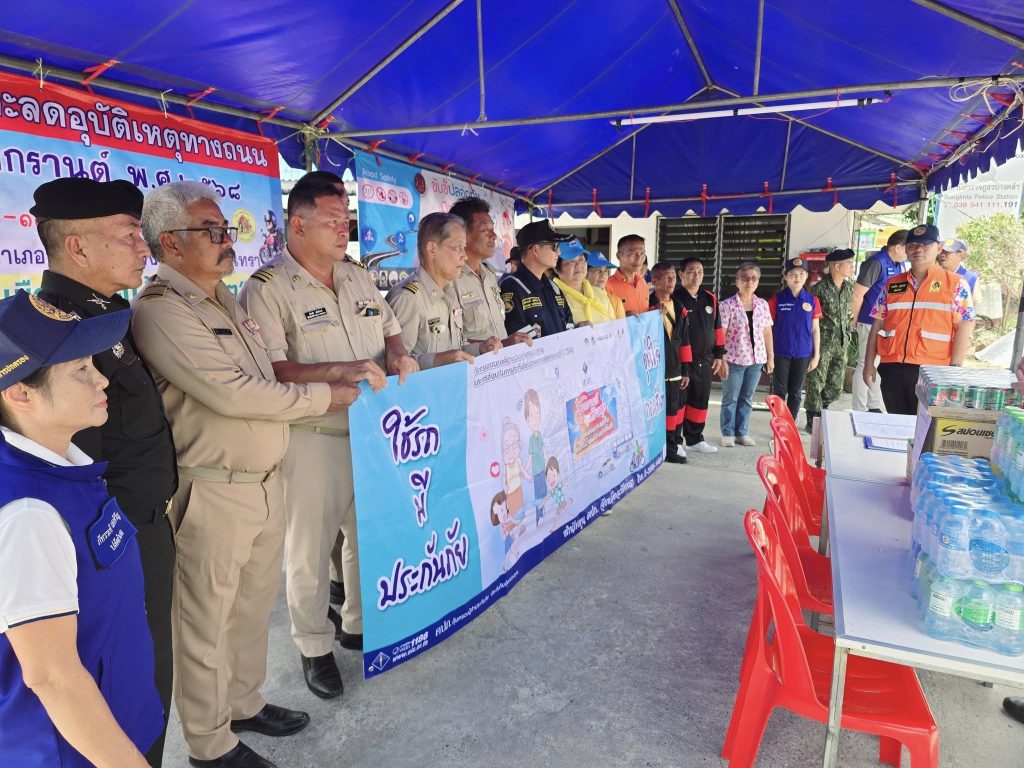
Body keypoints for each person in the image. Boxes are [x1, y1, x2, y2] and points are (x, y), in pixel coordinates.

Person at [133, 181, 357, 768]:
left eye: (226, 229)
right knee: (205, 623)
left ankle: (244, 703)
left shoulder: (224, 298)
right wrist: (323, 397)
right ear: (170, 243)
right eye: (211, 231)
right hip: (213, 487)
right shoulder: (162, 308)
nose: (226, 240)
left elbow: (265, 377)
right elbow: (233, 393)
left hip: (264, 481)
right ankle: (209, 744)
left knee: (252, 610)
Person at [239, 181, 419, 698]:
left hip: (372, 430)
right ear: (298, 225)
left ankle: (358, 625)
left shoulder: (357, 275)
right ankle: (314, 646)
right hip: (312, 435)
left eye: (347, 220)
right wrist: (341, 369)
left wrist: (397, 352)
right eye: (333, 220)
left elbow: (388, 326)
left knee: (367, 536)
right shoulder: (268, 287)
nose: (345, 229)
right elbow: (272, 369)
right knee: (310, 550)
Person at [30, 177, 177, 767]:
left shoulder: (107, 315)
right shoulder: (56, 335)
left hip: (138, 529)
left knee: (149, 679)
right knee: (122, 688)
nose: (144, 248)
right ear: (78, 247)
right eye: (129, 235)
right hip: (107, 545)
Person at [0, 290, 164, 767]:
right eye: (80, 370)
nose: (101, 379)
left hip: (120, 721)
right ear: (20, 393)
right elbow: (52, 677)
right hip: (81, 753)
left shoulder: (63, 466)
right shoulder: (27, 513)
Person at [863, 224, 975, 416]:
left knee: (925, 427)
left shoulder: (956, 284)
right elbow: (877, 324)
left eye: (925, 245)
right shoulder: (892, 285)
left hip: (932, 372)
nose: (918, 250)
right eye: (913, 245)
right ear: (906, 249)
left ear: (938, 248)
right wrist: (868, 364)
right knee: (898, 425)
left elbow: (965, 325)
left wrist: (955, 369)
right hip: (892, 369)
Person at [386, 213, 500, 367]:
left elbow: (457, 347)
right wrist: (437, 360)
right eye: (458, 248)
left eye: (464, 248)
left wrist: (480, 348)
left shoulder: (450, 292)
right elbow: (395, 365)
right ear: (432, 249)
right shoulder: (408, 299)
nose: (465, 256)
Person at [448, 197, 532, 348]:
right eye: (485, 230)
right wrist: (501, 344)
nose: (494, 235)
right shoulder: (450, 279)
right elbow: (448, 341)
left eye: (492, 229)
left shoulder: (490, 275)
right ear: (462, 234)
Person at [671, 257, 726, 455]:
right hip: (682, 362)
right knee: (680, 402)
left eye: (700, 272)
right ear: (681, 275)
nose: (696, 276)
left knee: (700, 401)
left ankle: (695, 439)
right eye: (691, 272)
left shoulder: (709, 298)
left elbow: (717, 328)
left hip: (706, 361)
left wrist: (719, 354)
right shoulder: (674, 298)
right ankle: (675, 441)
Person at [851, 229, 909, 412]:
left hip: (888, 324)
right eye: (907, 248)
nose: (909, 253)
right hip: (869, 321)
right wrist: (855, 319)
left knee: (877, 364)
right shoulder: (876, 263)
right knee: (864, 363)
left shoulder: (898, 264)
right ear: (898, 247)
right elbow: (857, 295)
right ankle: (859, 408)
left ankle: (874, 405)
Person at [719, 262, 774, 447]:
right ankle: (727, 432)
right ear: (737, 281)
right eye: (744, 278)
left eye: (753, 278)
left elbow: (767, 332)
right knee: (731, 398)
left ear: (757, 281)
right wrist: (722, 358)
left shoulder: (762, 305)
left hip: (756, 359)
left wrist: (771, 356)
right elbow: (721, 334)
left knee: (747, 398)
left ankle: (741, 432)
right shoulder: (727, 305)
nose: (749, 282)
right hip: (734, 359)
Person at [804, 248, 856, 433]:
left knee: (835, 384)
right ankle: (813, 417)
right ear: (836, 266)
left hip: (841, 343)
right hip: (823, 343)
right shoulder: (818, 289)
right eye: (849, 263)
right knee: (816, 381)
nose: (851, 266)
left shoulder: (849, 288)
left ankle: (823, 409)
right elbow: (811, 319)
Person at [501, 220, 576, 337]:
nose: (559, 252)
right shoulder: (511, 287)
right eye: (555, 246)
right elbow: (520, 337)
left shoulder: (554, 288)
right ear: (536, 250)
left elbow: (569, 326)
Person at [767, 257, 821, 421]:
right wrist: (769, 354)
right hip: (781, 352)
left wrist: (816, 355)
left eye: (801, 274)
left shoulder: (812, 301)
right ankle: (779, 423)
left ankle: (790, 423)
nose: (797, 278)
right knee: (779, 391)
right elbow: (767, 328)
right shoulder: (777, 300)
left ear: (806, 276)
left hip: (803, 353)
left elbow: (815, 329)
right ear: (786, 277)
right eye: (792, 274)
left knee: (796, 392)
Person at [649, 262, 691, 464]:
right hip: (653, 367)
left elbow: (685, 341)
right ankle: (658, 447)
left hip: (674, 368)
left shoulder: (680, 307)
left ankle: (671, 447)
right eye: (667, 277)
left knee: (673, 408)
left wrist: (686, 370)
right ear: (654, 281)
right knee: (655, 410)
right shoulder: (647, 305)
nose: (671, 281)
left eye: (673, 276)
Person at [552, 239, 603, 325]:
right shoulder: (552, 299)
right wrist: (575, 330)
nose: (579, 264)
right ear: (556, 269)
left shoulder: (600, 293)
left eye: (581, 259)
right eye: (571, 261)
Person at [606, 234, 651, 316]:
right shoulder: (607, 286)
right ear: (619, 256)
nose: (639, 259)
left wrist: (656, 309)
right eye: (632, 254)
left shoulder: (643, 283)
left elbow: (644, 313)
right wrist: (623, 317)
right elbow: (603, 319)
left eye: (642, 253)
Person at [584, 251, 626, 322]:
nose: (603, 274)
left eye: (606, 271)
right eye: (598, 270)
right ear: (585, 272)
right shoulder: (578, 298)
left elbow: (621, 327)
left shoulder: (615, 302)